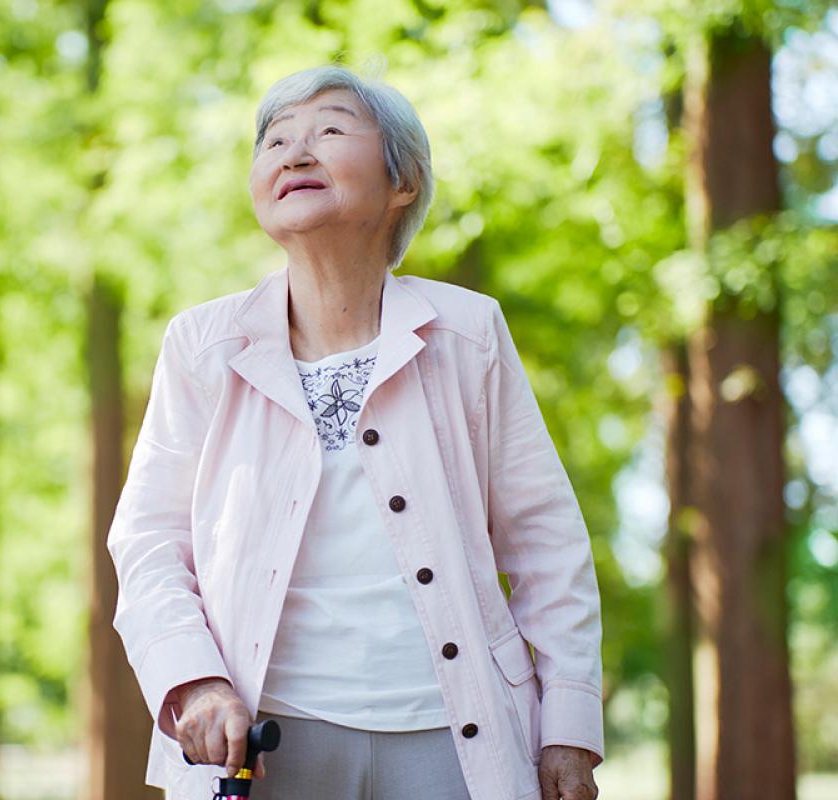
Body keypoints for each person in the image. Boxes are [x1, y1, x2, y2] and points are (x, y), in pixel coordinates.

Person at [107, 63, 603, 800]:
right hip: (267, 737)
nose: (295, 153)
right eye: (275, 140)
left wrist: (568, 724)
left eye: (330, 130)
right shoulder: (202, 346)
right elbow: (148, 539)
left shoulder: (468, 334)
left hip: (458, 734)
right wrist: (197, 681)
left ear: (401, 182)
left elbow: (545, 540)